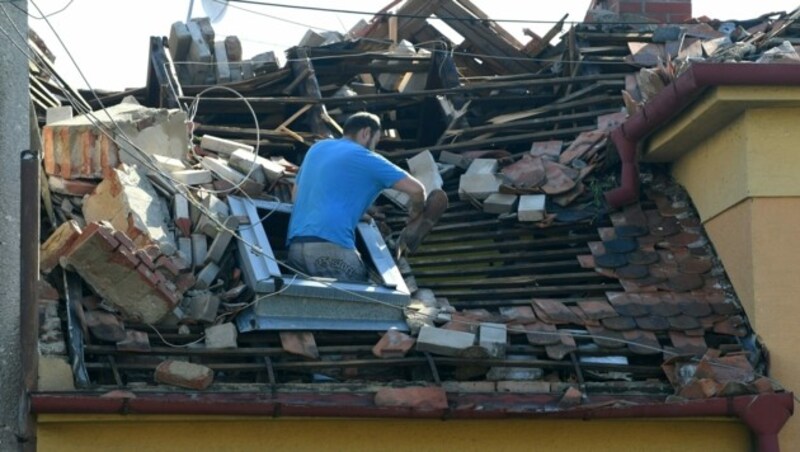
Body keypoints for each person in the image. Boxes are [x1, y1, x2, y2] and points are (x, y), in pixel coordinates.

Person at [286, 112, 427, 283]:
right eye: (376, 141)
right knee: (366, 300)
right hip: (331, 245)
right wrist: (416, 213)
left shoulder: (317, 148)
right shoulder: (367, 158)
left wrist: (356, 214)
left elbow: (296, 197)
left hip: (296, 246)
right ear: (366, 133)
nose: (374, 147)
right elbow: (417, 190)